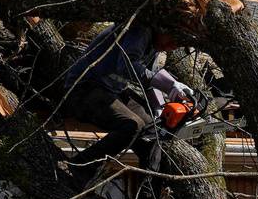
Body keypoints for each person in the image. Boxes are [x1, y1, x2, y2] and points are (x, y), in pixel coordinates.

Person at [61, 24, 193, 170]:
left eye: (178, 44)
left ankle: (148, 187)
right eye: (174, 39)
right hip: (85, 89)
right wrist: (168, 85)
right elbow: (126, 65)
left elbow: (149, 80)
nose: (172, 46)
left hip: (113, 92)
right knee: (132, 125)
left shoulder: (154, 46)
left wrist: (159, 108)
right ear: (162, 28)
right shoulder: (140, 30)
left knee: (153, 130)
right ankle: (78, 167)